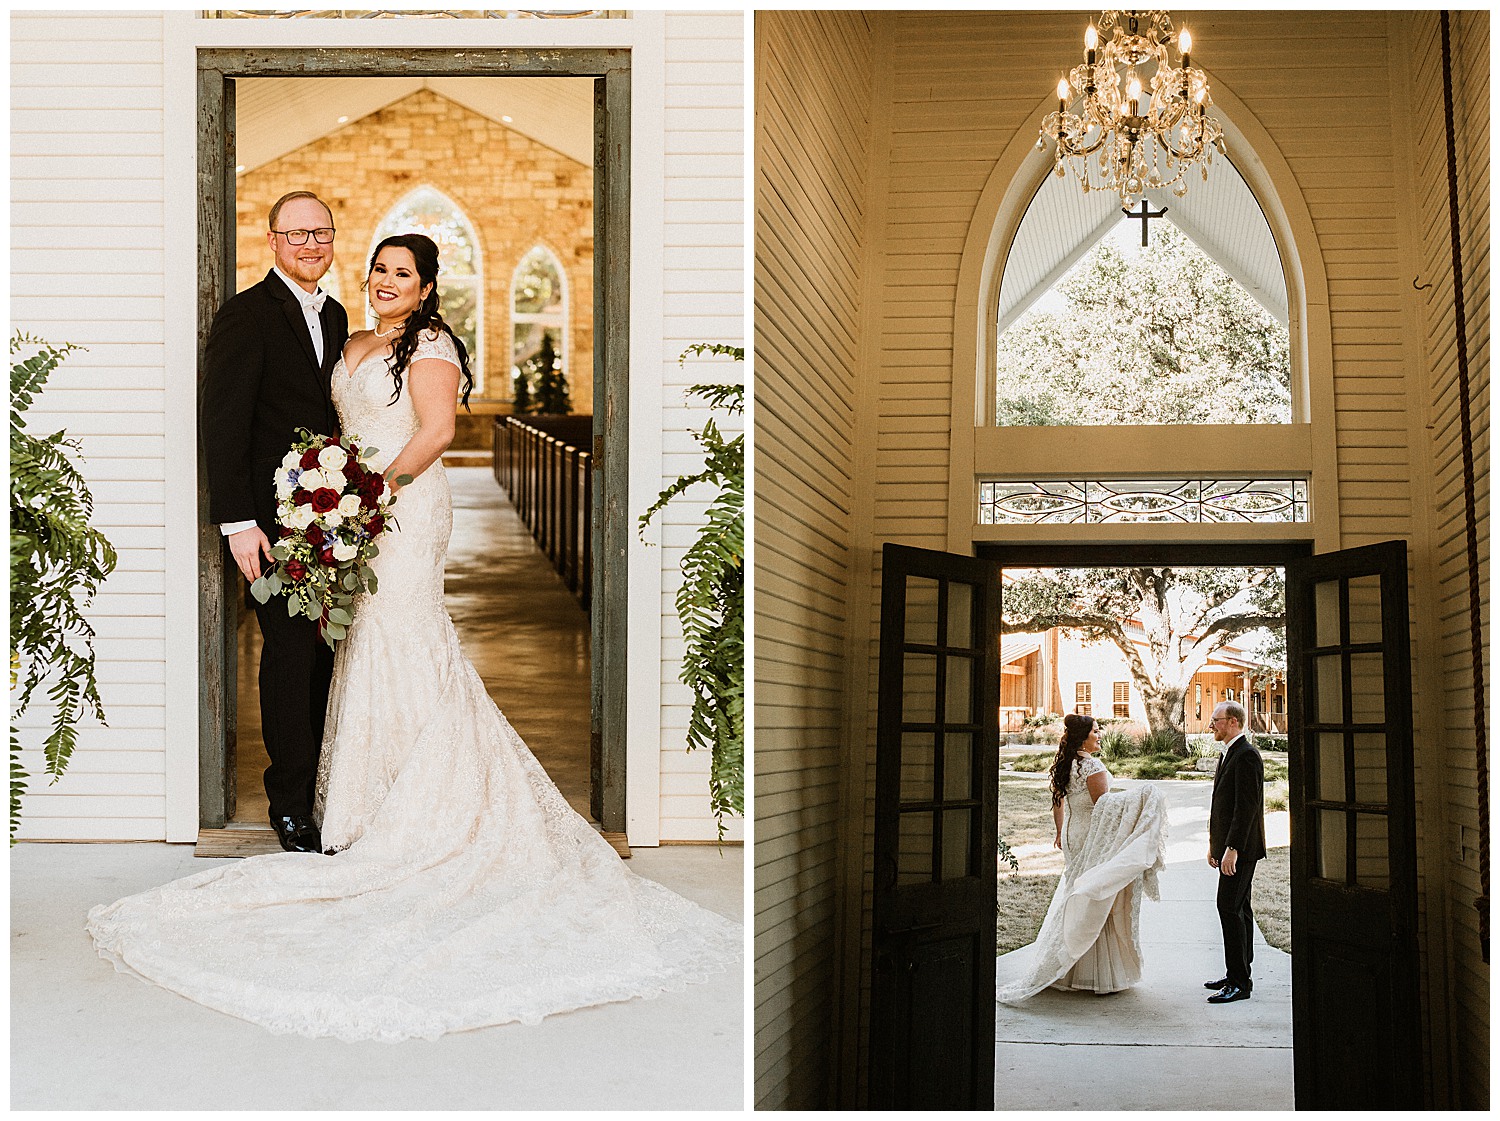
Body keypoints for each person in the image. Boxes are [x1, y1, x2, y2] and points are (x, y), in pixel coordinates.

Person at [87, 234, 741, 1041]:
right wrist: (325, 492)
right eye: (379, 269)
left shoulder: (432, 344)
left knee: (405, 633)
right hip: (348, 513)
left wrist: (367, 490)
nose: (384, 280)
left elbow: (433, 434)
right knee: (362, 646)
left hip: (401, 508)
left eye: (402, 272)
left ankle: (434, 811)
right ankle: (365, 805)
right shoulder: (350, 338)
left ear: (428, 286)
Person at [200, 190, 347, 855]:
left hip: (333, 523)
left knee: (323, 655)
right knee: (287, 656)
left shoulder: (340, 315)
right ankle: (289, 807)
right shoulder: (245, 315)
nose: (310, 244)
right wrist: (237, 522)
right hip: (268, 525)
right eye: (297, 234)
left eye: (321, 233)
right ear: (272, 240)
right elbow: (224, 422)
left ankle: (320, 787)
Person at [996, 713, 1167, 1003]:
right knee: (1095, 894)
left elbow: (1058, 800)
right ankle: (1090, 972)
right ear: (1084, 737)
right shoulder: (1091, 765)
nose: (1099, 735)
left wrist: (1060, 831)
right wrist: (1141, 797)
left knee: (1079, 890)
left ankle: (1069, 967)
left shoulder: (1066, 763)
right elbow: (1105, 807)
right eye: (1096, 731)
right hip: (1091, 835)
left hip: (1074, 833)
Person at [1204, 699, 1266, 1004]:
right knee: (1239, 909)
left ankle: (1240, 983)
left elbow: (1246, 809)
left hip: (1240, 850)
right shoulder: (1229, 753)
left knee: (1228, 907)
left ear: (1233, 722)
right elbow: (1221, 806)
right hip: (1228, 848)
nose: (1211, 724)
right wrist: (1214, 846)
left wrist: (1232, 849)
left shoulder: (1247, 756)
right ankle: (1237, 972)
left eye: (1216, 720)